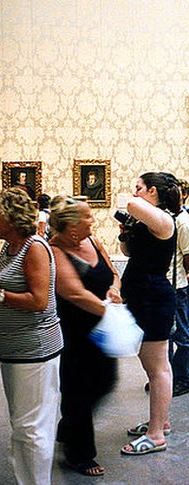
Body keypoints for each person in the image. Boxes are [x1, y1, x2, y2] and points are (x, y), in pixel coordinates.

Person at [0, 188, 62, 485]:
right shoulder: (9, 247)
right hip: (14, 351)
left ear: (13, 219)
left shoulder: (34, 247)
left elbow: (39, 301)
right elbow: (10, 283)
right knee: (22, 425)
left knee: (33, 429)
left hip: (34, 351)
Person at [47, 196, 121, 476]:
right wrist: (109, 311)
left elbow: (113, 273)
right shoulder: (55, 251)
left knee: (105, 381)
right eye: (87, 216)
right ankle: (79, 454)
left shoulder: (92, 241)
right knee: (77, 390)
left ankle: (68, 427)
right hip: (73, 333)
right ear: (71, 225)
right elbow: (74, 293)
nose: (92, 220)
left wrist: (115, 289)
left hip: (101, 329)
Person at [119, 172, 180, 456]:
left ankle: (156, 435)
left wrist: (134, 208)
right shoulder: (149, 221)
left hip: (154, 298)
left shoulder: (165, 219)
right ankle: (160, 421)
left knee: (158, 369)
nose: (135, 192)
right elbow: (128, 252)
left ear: (152, 190)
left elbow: (132, 205)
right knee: (150, 364)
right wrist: (126, 231)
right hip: (142, 296)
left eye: (139, 187)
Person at [172, 180, 189, 398]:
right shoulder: (170, 218)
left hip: (179, 286)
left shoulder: (183, 221)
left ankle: (183, 378)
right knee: (166, 336)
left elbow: (187, 255)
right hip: (168, 285)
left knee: (183, 335)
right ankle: (167, 377)